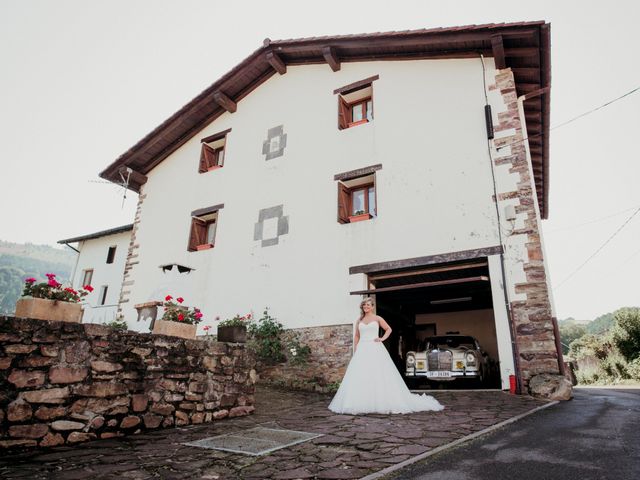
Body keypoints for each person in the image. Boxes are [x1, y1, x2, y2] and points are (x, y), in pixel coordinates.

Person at [328, 298, 444, 415]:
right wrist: (356, 348)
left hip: (375, 347)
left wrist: (382, 339)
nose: (366, 307)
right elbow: (357, 336)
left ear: (372, 307)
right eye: (364, 305)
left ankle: (381, 400)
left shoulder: (378, 318)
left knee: (378, 373)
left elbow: (389, 329)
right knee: (361, 374)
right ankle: (360, 401)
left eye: (368, 305)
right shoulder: (359, 320)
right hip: (362, 349)